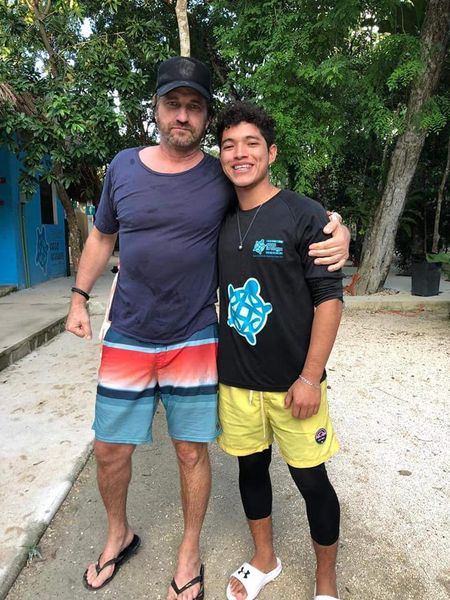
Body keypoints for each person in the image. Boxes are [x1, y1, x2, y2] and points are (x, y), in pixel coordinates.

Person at [66, 57, 349, 600]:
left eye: (194, 107)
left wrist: (340, 228)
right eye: (173, 104)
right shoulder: (132, 170)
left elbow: (296, 231)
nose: (183, 116)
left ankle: (216, 557)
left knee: (216, 457)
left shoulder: (232, 182)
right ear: (155, 109)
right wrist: (79, 297)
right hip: (160, 346)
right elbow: (103, 234)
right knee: (121, 450)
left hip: (208, 344)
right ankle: (129, 536)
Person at [216, 102, 343, 600]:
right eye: (229, 145)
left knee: (311, 480)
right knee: (250, 470)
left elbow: (329, 299)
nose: (240, 153)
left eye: (251, 143)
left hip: (295, 385)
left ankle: (326, 579)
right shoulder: (218, 215)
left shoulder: (303, 213)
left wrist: (310, 377)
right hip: (237, 382)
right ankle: (264, 559)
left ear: (271, 153)